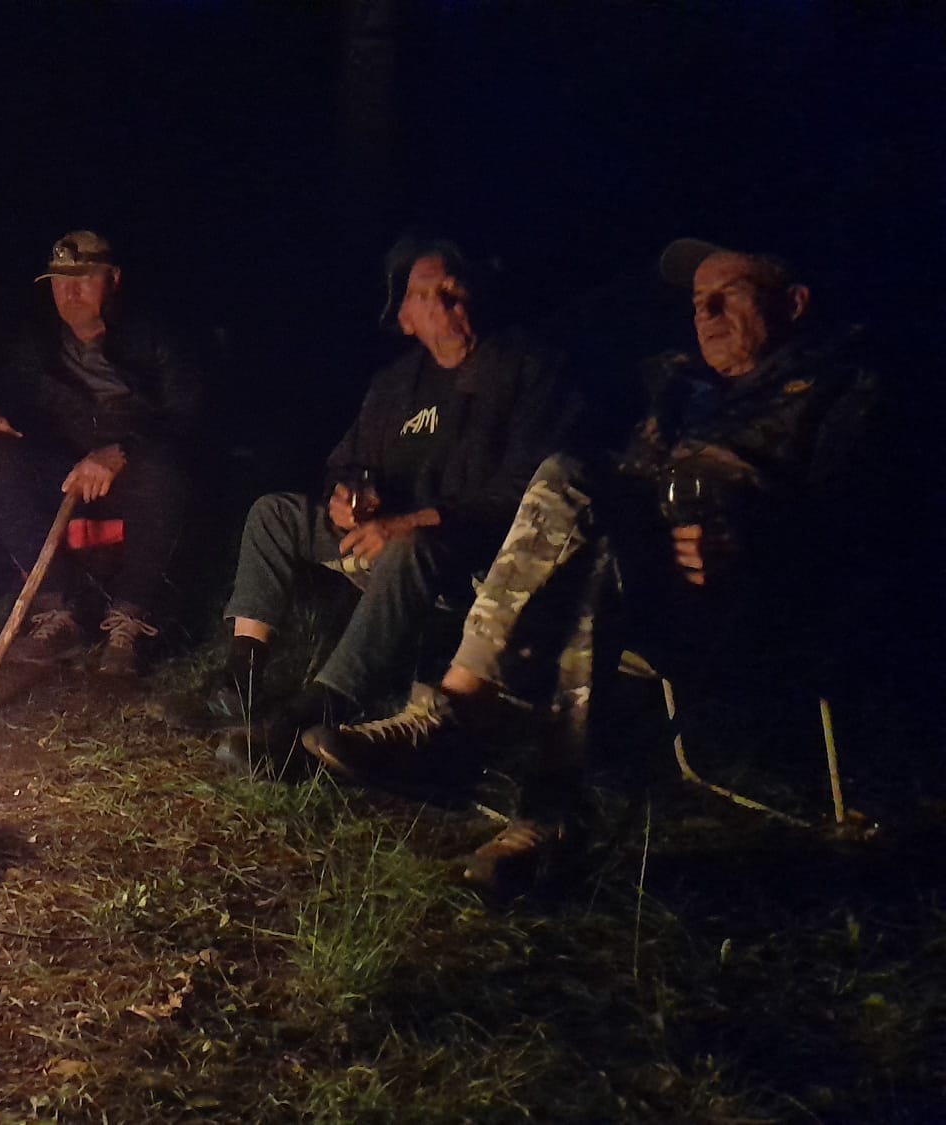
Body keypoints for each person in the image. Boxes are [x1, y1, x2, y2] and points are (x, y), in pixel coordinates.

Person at [301, 239, 881, 891]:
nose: (707, 313)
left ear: (794, 303)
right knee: (593, 536)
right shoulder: (675, 388)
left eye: (731, 295)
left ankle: (457, 720)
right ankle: (547, 814)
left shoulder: (845, 389)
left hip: (748, 596)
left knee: (573, 484)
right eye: (698, 301)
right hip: (644, 573)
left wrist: (749, 540)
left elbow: (856, 532)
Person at [175, 236, 575, 756]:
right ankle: (242, 676)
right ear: (405, 319)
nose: (447, 302)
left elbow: (527, 488)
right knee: (274, 513)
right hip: (381, 533)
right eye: (427, 294)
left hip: (467, 547)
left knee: (410, 547)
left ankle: (324, 705)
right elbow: (347, 463)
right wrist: (346, 497)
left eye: (453, 288)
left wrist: (415, 522)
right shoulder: (396, 385)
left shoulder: (526, 368)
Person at [0, 230, 202, 676]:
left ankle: (130, 617)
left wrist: (121, 450)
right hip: (66, 471)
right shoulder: (39, 342)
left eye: (83, 278)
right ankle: (58, 608)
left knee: (163, 470)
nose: (69, 291)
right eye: (59, 280)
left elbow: (187, 418)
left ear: (114, 279)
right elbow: (6, 389)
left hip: (136, 476)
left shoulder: (156, 337)